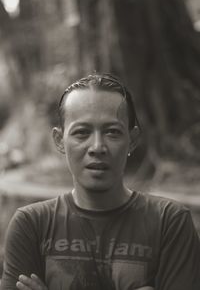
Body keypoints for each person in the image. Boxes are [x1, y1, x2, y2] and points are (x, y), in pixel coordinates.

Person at [1, 73, 200, 290]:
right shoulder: (31, 225)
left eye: (112, 132)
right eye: (82, 132)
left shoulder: (169, 223)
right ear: (59, 140)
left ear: (132, 140)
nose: (97, 147)